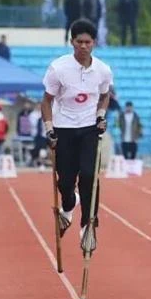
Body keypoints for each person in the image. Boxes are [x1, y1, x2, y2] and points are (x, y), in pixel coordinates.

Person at [41, 18, 113, 245]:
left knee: (90, 175)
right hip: (64, 128)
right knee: (65, 182)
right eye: (79, 42)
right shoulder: (58, 68)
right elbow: (46, 101)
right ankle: (69, 205)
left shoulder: (102, 70)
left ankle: (88, 225)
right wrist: (49, 129)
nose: (83, 46)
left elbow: (105, 95)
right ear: (72, 42)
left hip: (89, 128)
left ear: (94, 43)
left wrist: (101, 116)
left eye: (87, 42)